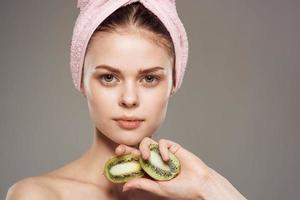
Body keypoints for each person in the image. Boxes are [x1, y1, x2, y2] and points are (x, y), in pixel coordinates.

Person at [6, 1, 247, 199]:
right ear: (80, 80)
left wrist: (210, 186)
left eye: (149, 78)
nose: (129, 99)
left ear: (174, 82)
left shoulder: (196, 194)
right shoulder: (39, 195)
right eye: (109, 77)